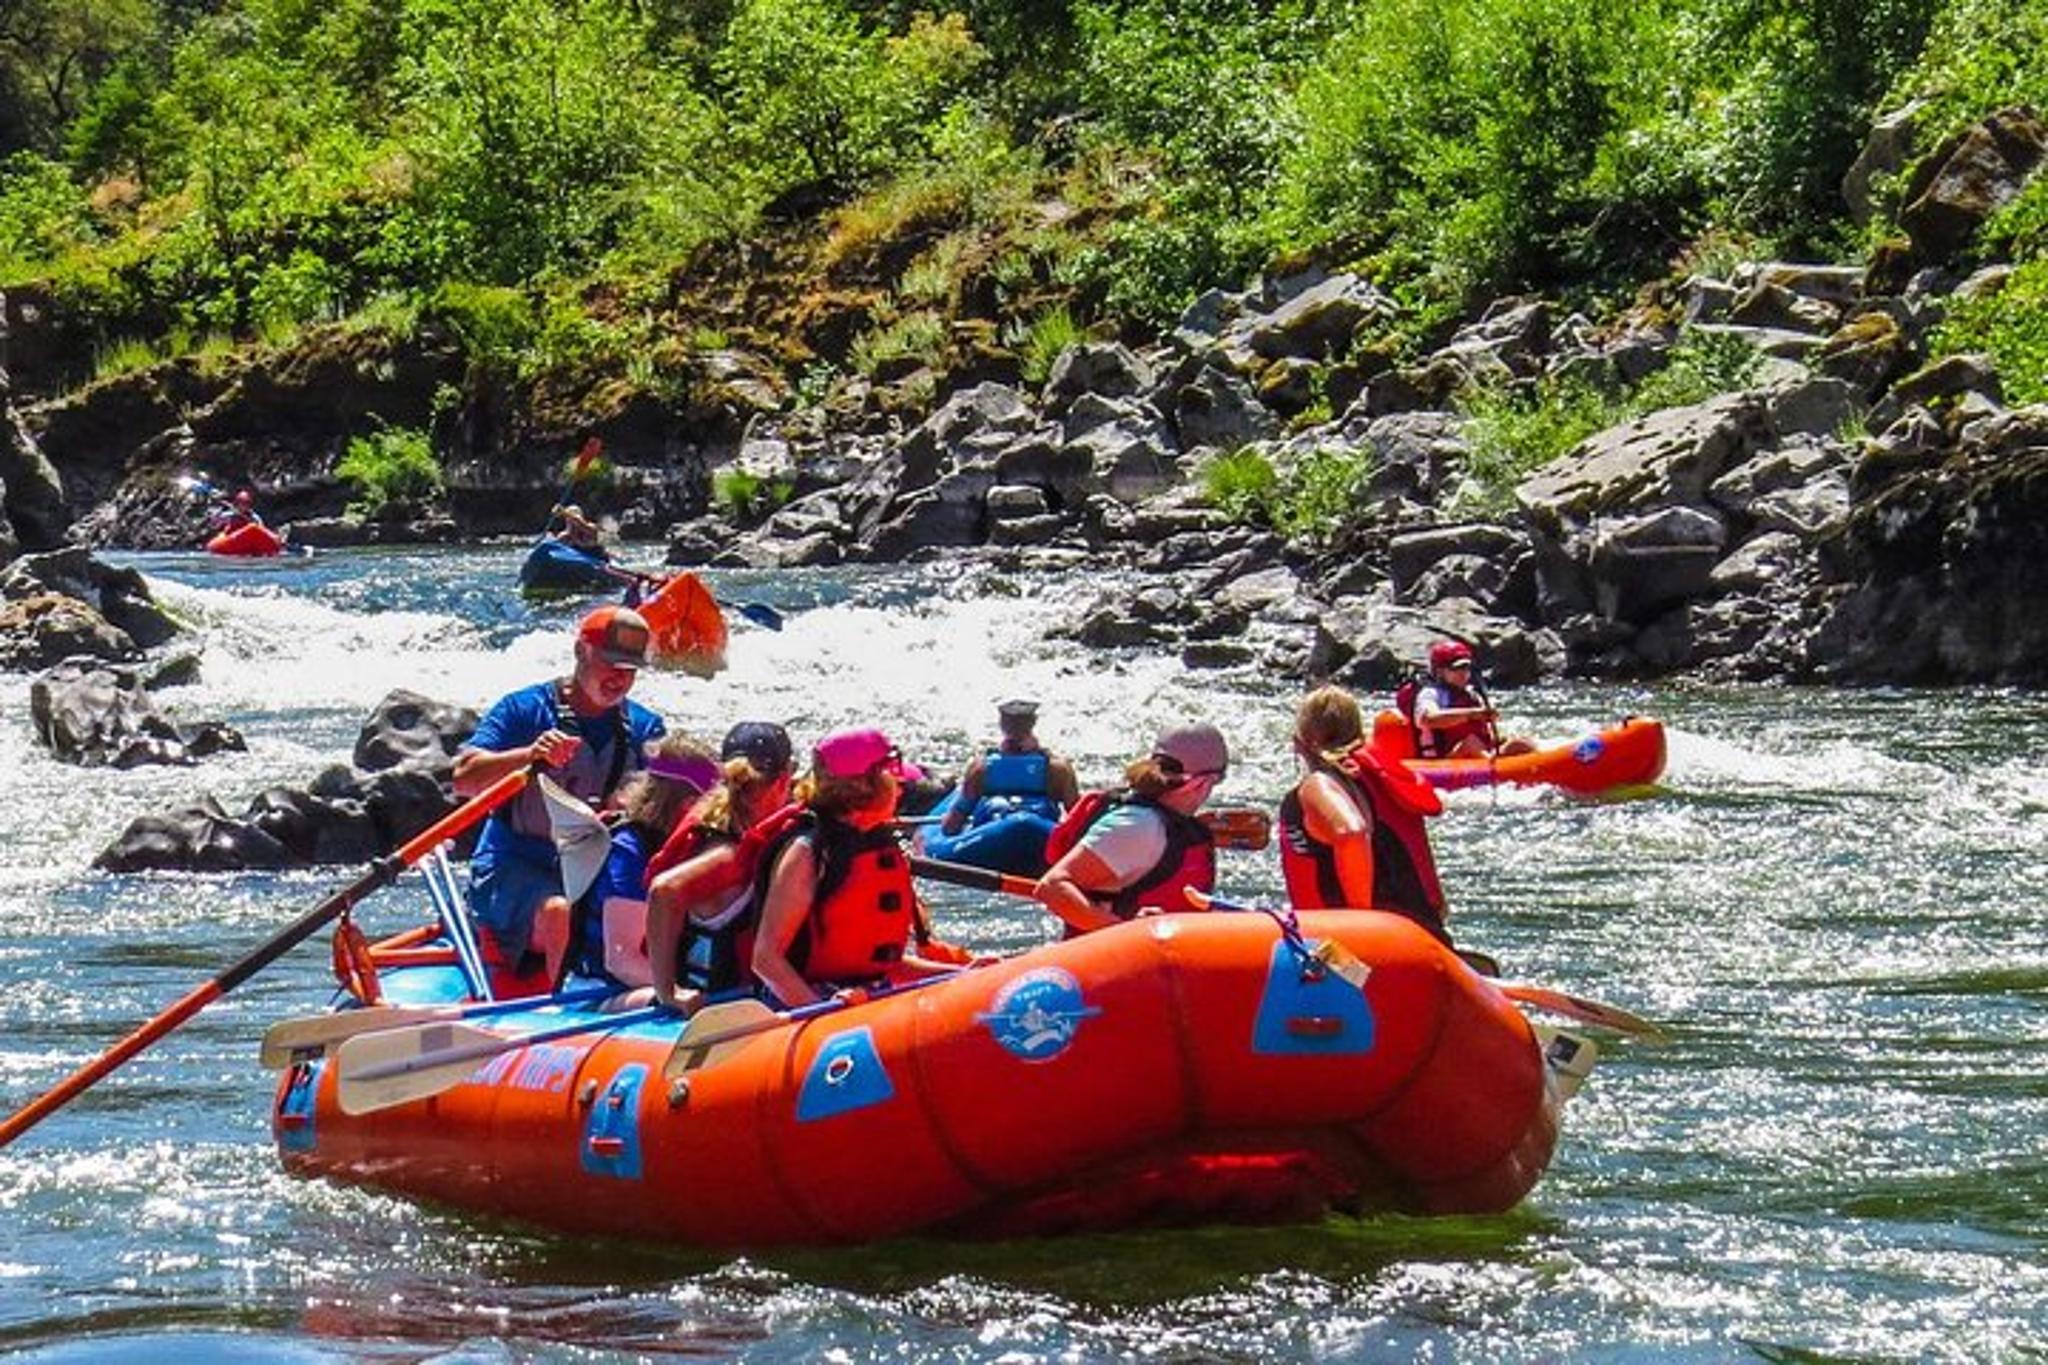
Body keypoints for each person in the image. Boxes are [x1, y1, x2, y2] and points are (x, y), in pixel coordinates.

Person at [452, 605, 665, 986]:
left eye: (630, 670)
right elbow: (464, 779)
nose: (620, 679)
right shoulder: (523, 709)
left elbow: (690, 780)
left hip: (595, 866)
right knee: (560, 912)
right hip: (515, 866)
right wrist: (528, 756)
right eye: (611, 664)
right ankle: (563, 1009)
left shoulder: (645, 726)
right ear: (582, 651)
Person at [751, 728, 957, 1008]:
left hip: (865, 998)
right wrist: (821, 1010)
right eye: (890, 775)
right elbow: (766, 959)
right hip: (806, 1004)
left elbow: (887, 968)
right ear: (864, 785)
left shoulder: (879, 843)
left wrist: (964, 975)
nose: (899, 785)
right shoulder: (807, 853)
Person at [637, 721, 799, 1011]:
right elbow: (664, 892)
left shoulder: (728, 829)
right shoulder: (728, 853)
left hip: (731, 1004)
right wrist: (667, 992)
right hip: (714, 1008)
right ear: (784, 779)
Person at [1280, 685, 1453, 944]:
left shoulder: (1318, 785)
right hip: (1423, 938)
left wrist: (1360, 926)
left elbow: (1352, 834)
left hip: (1370, 952)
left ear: (1300, 741)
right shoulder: (1380, 780)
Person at [1034, 723, 1226, 936]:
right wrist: (1126, 933)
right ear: (1205, 782)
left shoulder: (1167, 825)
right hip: (1106, 961)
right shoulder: (1139, 827)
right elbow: (1051, 888)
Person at [566, 732, 723, 986]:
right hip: (601, 989)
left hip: (662, 979)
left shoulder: (695, 843)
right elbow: (620, 959)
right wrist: (676, 992)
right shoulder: (629, 850)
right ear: (688, 805)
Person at [938, 699, 1081, 838]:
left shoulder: (981, 768)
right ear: (1033, 723)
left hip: (990, 846)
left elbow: (950, 826)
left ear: (1002, 725)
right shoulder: (1058, 769)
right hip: (1041, 843)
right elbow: (1078, 818)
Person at [1407, 640, 1533, 759]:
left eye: (1466, 668)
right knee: (1470, 743)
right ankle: (1495, 768)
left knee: (1521, 743)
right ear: (1440, 672)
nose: (1464, 673)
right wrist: (1472, 714)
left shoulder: (1471, 693)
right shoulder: (1431, 693)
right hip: (1446, 759)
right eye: (1456, 668)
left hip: (1477, 753)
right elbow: (1427, 719)